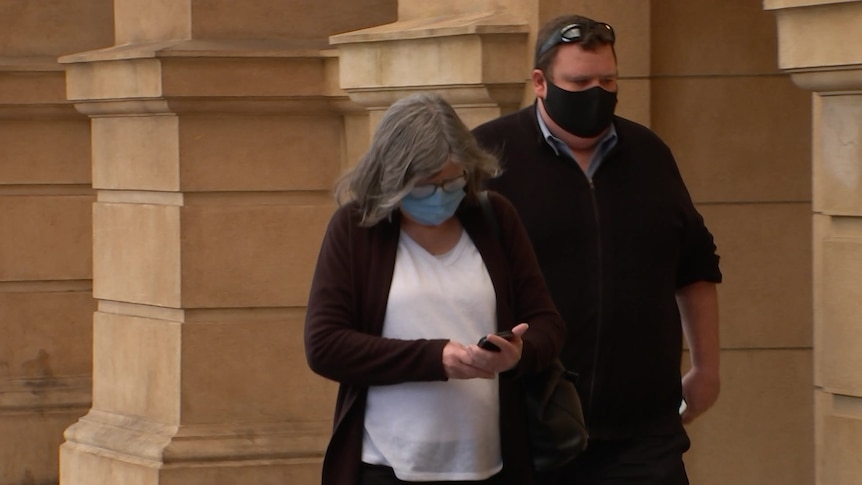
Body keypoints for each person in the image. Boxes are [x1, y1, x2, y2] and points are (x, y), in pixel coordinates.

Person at [472, 14, 723, 484]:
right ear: (540, 83)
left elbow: (694, 263)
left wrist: (706, 369)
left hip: (642, 431)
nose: (596, 92)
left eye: (608, 80)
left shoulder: (648, 154)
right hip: (529, 422)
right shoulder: (489, 154)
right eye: (580, 81)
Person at [304, 92, 565, 485]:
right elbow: (325, 346)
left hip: (490, 463)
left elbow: (547, 324)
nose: (441, 196)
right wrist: (435, 358)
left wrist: (516, 354)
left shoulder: (495, 218)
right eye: (425, 186)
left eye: (452, 181)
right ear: (392, 180)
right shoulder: (356, 229)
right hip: (387, 466)